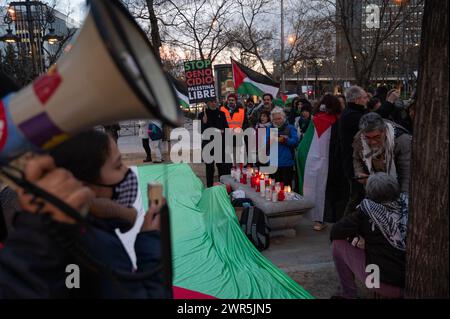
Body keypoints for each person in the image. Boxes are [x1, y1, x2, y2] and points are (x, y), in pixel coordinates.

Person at [0, 131, 168, 298]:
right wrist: (152, 244)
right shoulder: (99, 248)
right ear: (84, 185)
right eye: (118, 165)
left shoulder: (78, 230)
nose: (127, 172)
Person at [330, 172, 407, 299]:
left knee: (338, 244)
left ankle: (348, 294)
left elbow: (336, 231)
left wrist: (354, 237)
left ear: (370, 193)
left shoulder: (367, 211)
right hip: (410, 282)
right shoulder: (407, 205)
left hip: (379, 282)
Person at [296, 94, 346, 231]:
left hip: (315, 162)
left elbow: (306, 143)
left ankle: (319, 220)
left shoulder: (315, 120)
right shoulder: (337, 120)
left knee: (317, 190)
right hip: (334, 163)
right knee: (333, 194)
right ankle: (337, 221)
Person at [352, 112, 411, 194]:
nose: (372, 142)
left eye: (377, 137)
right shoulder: (360, 138)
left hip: (398, 187)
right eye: (368, 138)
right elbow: (356, 158)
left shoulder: (401, 140)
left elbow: (406, 172)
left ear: (384, 130)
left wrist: (405, 195)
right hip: (373, 189)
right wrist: (359, 172)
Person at [338, 86, 369, 215]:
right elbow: (372, 123)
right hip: (354, 164)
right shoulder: (352, 115)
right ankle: (345, 227)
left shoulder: (353, 112)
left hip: (357, 162)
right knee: (357, 197)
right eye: (364, 97)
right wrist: (389, 103)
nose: (367, 100)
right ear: (357, 100)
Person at [199, 100, 229, 187]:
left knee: (221, 167)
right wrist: (204, 123)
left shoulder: (221, 114)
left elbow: (226, 128)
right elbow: (200, 131)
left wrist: (223, 131)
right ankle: (209, 188)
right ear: (207, 103)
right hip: (208, 144)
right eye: (211, 102)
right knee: (209, 168)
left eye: (215, 102)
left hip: (220, 144)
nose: (213, 103)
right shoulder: (202, 115)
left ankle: (222, 187)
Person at [267, 107, 299, 187]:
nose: (277, 121)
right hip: (273, 162)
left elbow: (295, 141)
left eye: (279, 118)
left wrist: (285, 140)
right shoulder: (270, 128)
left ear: (283, 118)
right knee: (274, 187)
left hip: (286, 163)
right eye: (275, 119)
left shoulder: (290, 128)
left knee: (286, 188)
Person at [220, 93, 250, 166]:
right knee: (229, 156)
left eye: (232, 100)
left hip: (238, 135)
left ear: (235, 101)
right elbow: (219, 122)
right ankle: (231, 171)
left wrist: (242, 130)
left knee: (239, 155)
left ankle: (239, 170)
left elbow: (246, 123)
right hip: (227, 136)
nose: (231, 101)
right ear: (227, 101)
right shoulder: (222, 109)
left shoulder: (241, 111)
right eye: (229, 100)